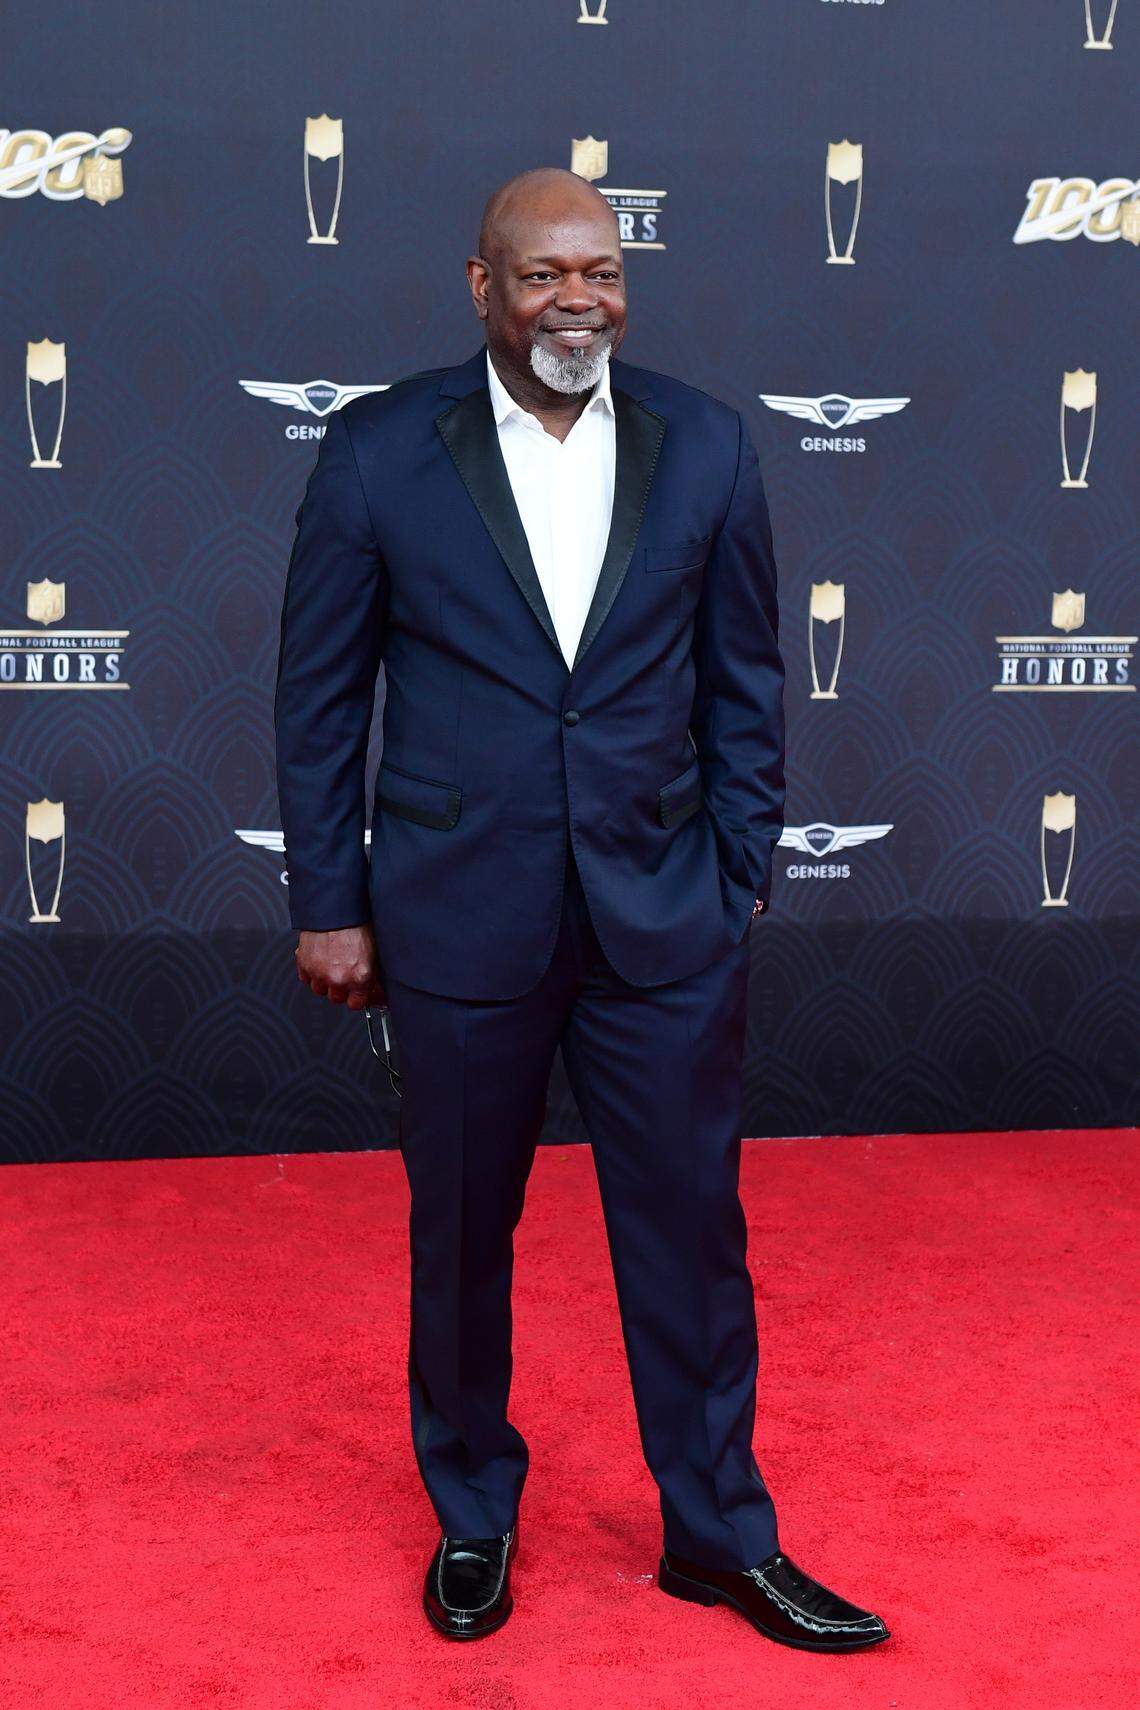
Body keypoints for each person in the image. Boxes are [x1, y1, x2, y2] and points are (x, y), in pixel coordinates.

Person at [273, 166, 889, 1651]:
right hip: (453, 917)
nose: (578, 300)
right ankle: (473, 1512)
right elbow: (319, 698)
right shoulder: (376, 453)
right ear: (481, 286)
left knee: (692, 1236)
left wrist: (737, 870)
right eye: (545, 273)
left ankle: (718, 1536)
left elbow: (747, 682)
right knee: (460, 1237)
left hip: (661, 917)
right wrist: (333, 901)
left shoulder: (707, 445)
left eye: (602, 271)